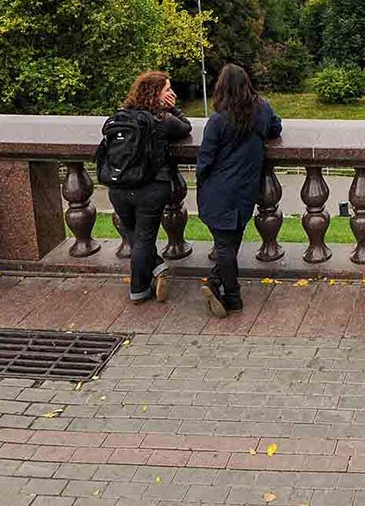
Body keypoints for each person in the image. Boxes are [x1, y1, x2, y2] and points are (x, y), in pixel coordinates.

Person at [195, 64, 283, 318]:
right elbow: (275, 128)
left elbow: (205, 161)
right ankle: (215, 284)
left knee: (224, 244)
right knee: (231, 241)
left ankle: (232, 297)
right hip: (245, 189)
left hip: (218, 190)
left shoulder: (218, 120)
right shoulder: (262, 109)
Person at [106, 71, 191, 304]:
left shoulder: (121, 116)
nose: (171, 93)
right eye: (167, 90)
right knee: (143, 238)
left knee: (132, 233)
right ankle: (139, 289)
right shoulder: (162, 120)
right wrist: (173, 108)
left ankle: (156, 269)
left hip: (118, 187)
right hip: (150, 188)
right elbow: (186, 127)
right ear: (156, 94)